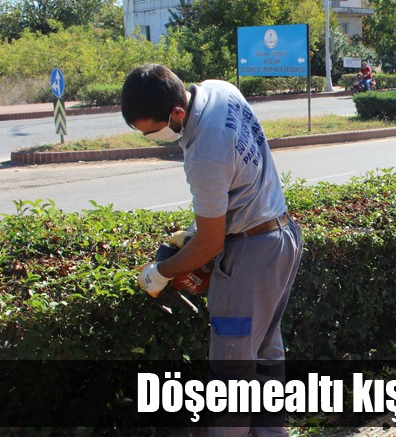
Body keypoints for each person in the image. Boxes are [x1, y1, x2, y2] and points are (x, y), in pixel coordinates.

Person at [122, 64, 303, 435]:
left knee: (231, 372)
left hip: (250, 257)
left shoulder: (204, 153)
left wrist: (161, 272)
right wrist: (195, 229)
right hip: (281, 237)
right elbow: (236, 178)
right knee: (265, 353)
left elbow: (211, 242)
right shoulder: (220, 91)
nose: (151, 138)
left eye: (151, 131)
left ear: (177, 114)